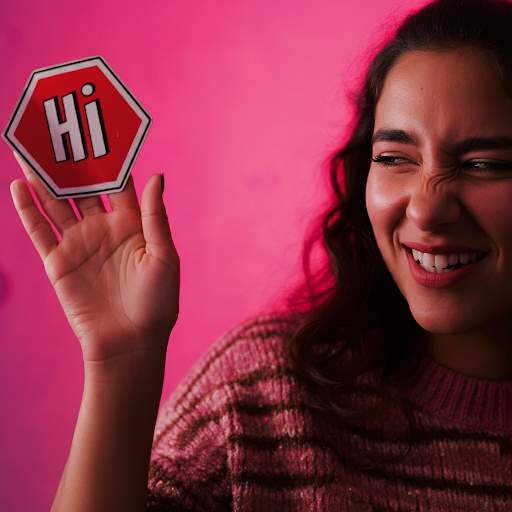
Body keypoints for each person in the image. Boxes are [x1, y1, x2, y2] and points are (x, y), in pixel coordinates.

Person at [10, 0, 512, 509]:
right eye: (394, 158)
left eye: (485, 164)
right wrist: (123, 363)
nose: (426, 209)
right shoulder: (261, 395)